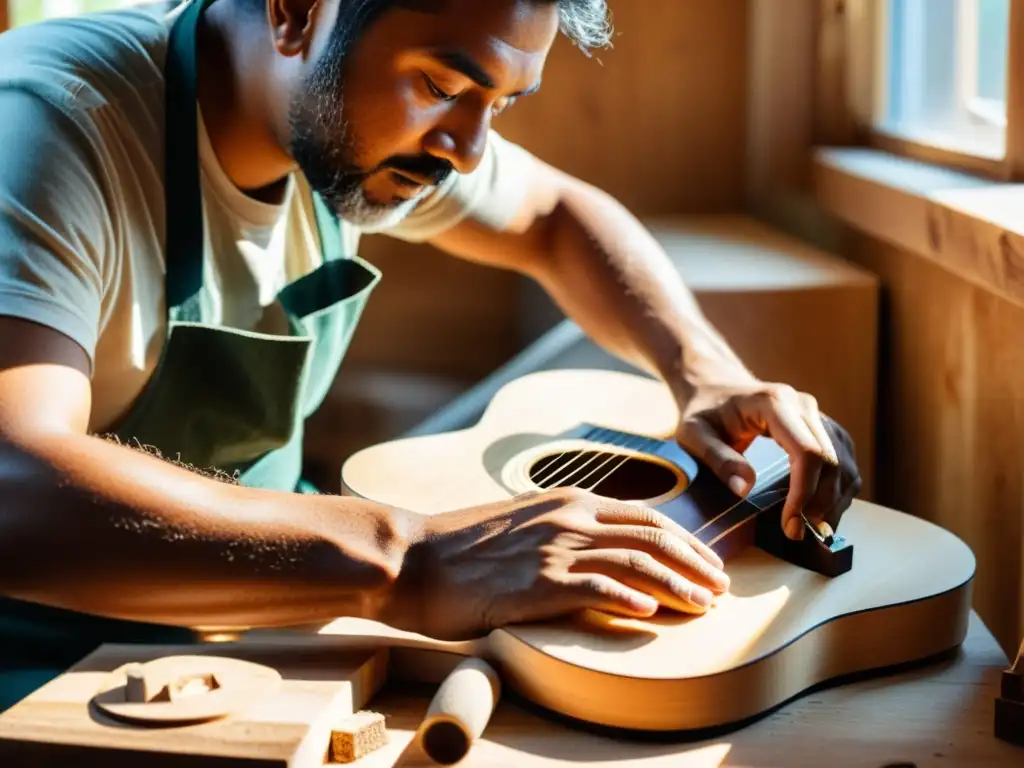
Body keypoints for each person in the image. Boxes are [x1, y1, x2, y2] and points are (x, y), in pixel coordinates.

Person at [0, 0, 862, 710]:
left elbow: (556, 217)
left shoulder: (340, 124)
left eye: (502, 104)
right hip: (39, 661)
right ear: (297, 14)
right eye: (444, 85)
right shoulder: (54, 124)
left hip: (262, 624)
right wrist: (408, 559)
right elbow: (12, 484)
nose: (469, 148)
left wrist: (706, 370)